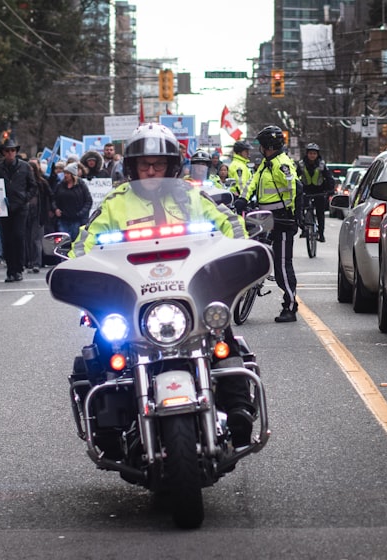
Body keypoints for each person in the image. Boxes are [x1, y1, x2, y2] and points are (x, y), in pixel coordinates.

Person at [70, 122, 253, 447]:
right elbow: (85, 241)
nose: (152, 170)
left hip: (189, 295)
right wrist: (76, 267)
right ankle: (107, 427)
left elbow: (229, 224)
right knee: (102, 340)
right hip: (133, 299)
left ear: (172, 165)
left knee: (221, 331)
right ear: (133, 167)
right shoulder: (116, 203)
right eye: (144, 163)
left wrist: (240, 249)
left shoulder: (194, 196)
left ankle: (239, 408)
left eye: (159, 163)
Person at [243, 125, 299, 323]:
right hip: (266, 216)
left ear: (267, 146)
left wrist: (291, 214)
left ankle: (290, 306)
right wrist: (242, 198)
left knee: (282, 265)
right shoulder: (266, 163)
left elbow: (292, 189)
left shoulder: (281, 164)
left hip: (282, 219)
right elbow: (252, 182)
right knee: (254, 249)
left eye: (261, 145)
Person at [0, 138, 37, 282]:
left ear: (16, 152)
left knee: (18, 237)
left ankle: (18, 269)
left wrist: (24, 199)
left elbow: (33, 186)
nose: (10, 153)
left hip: (20, 207)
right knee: (7, 239)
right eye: (7, 150)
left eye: (12, 150)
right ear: (3, 152)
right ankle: (11, 269)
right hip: (4, 207)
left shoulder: (25, 166)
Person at [295, 142, 334, 243]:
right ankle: (304, 230)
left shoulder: (322, 165)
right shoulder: (301, 164)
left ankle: (321, 234)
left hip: (319, 191)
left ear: (317, 155)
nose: (312, 155)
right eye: (310, 153)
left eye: (314, 153)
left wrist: (330, 190)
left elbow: (329, 177)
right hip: (305, 191)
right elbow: (295, 177)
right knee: (301, 209)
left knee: (320, 213)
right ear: (307, 154)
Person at [52, 162, 92, 242]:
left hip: (76, 219)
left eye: (67, 173)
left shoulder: (81, 186)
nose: (65, 175)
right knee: (63, 242)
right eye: (65, 173)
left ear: (72, 174)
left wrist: (80, 213)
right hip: (63, 219)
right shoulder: (60, 185)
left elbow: (88, 201)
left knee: (75, 241)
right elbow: (53, 199)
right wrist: (55, 209)